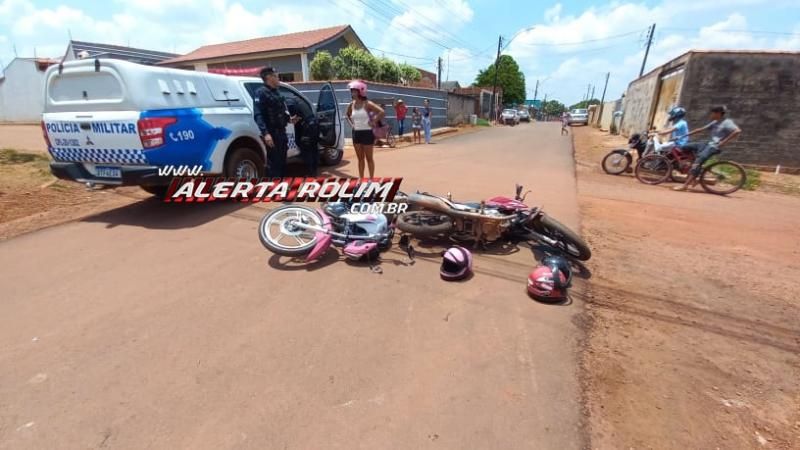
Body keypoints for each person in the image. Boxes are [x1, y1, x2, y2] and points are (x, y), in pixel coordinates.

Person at [673, 105, 741, 191]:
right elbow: (700, 129)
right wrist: (681, 136)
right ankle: (695, 172)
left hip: (714, 146)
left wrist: (723, 142)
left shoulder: (727, 122)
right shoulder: (715, 122)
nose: (711, 115)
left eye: (712, 113)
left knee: (698, 162)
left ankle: (685, 185)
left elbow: (737, 131)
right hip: (707, 143)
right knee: (685, 147)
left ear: (719, 113)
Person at [253, 67, 290, 178]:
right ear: (269, 77)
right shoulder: (260, 93)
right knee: (274, 163)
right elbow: (258, 114)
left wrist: (289, 119)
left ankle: (282, 187)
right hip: (272, 134)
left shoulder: (277, 93)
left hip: (281, 133)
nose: (278, 78)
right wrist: (266, 133)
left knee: (283, 161)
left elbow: (281, 111)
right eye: (276, 75)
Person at [345, 80, 384, 179]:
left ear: (360, 92)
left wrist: (374, 121)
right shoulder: (351, 104)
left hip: (367, 133)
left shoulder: (367, 103)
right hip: (356, 134)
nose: (352, 93)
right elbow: (347, 115)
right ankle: (361, 179)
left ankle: (371, 179)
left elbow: (381, 112)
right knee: (360, 159)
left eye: (354, 91)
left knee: (369, 158)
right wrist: (352, 125)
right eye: (351, 91)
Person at [289, 101, 320, 176]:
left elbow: (295, 120)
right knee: (314, 149)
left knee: (307, 151)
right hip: (314, 127)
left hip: (307, 129)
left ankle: (310, 173)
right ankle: (314, 171)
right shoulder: (302, 103)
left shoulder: (292, 106)